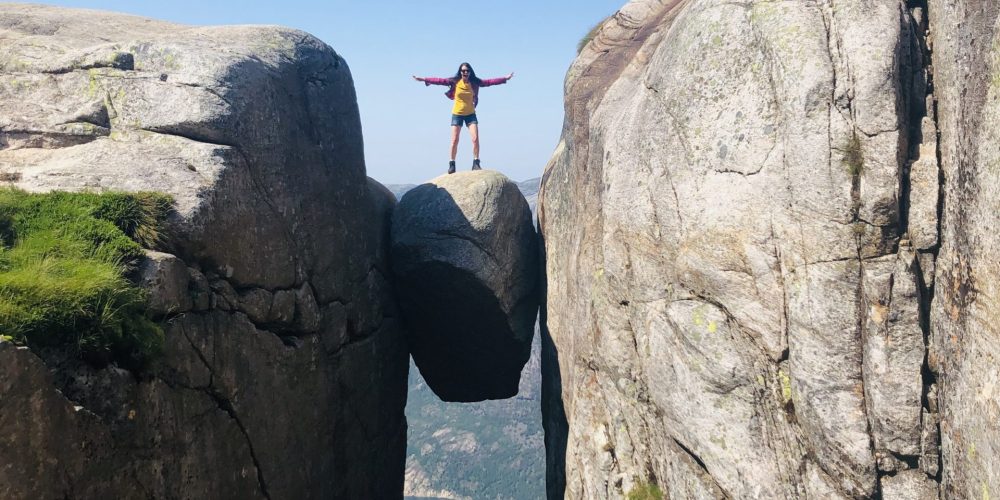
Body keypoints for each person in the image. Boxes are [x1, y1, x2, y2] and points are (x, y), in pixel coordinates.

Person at [413, 63, 514, 174]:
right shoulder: (455, 82)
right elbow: (440, 81)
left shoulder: (474, 82)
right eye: (462, 70)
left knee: (475, 139)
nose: (465, 72)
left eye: (467, 70)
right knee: (454, 140)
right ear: (460, 72)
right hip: (457, 114)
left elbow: (489, 82)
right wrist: (424, 79)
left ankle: (476, 163)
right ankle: (452, 164)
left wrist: (505, 78)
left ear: (470, 72)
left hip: (470, 114)